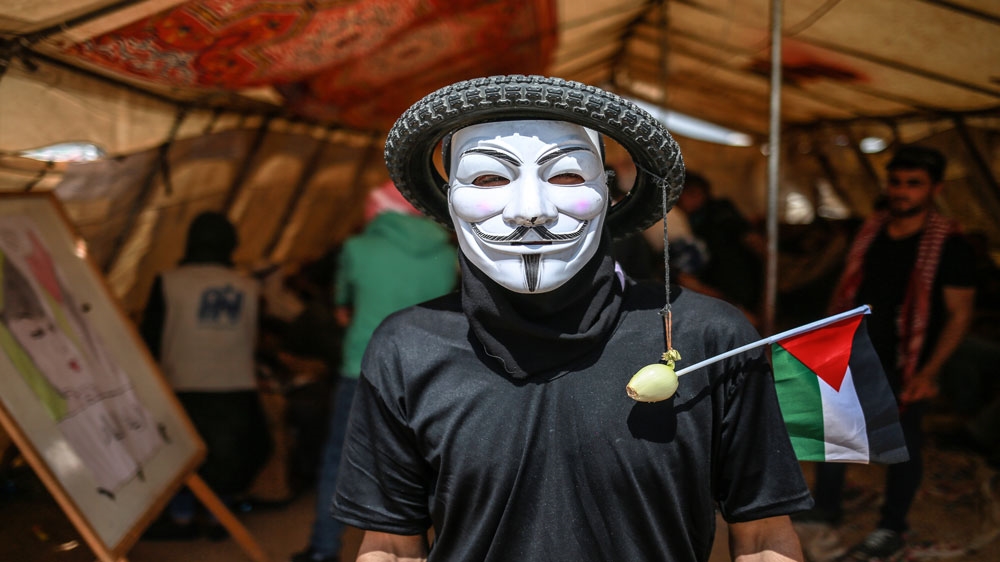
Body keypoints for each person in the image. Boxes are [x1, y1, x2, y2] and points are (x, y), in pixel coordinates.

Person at [329, 75, 811, 561]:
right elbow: (391, 546)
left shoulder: (709, 338)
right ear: (450, 198)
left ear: (608, 192)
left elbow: (764, 538)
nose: (530, 211)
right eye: (489, 178)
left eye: (565, 176)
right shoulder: (407, 349)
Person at [809, 145, 977, 559]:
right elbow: (849, 287)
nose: (902, 192)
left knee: (902, 445)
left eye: (914, 185)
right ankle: (825, 509)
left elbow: (959, 315)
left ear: (934, 189)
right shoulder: (871, 232)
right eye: (897, 182)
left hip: (908, 362)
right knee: (835, 433)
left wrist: (929, 372)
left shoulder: (950, 246)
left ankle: (891, 527)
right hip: (854, 349)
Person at [291, 183, 458, 562]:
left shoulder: (356, 249)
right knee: (435, 466)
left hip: (362, 368)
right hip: (431, 370)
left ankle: (323, 548)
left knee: (340, 459)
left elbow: (341, 308)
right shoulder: (447, 252)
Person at [140, 211, 270, 540]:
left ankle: (181, 517)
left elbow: (149, 338)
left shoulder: (167, 281)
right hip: (235, 386)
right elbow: (256, 337)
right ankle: (218, 516)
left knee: (183, 457)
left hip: (181, 385)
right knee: (229, 456)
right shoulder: (249, 286)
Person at [676, 171, 765, 322]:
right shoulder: (683, 217)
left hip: (733, 276)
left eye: (691, 194)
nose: (684, 200)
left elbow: (750, 237)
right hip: (711, 280)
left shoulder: (720, 211)